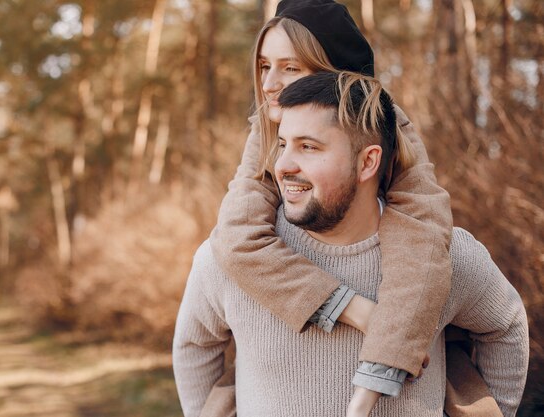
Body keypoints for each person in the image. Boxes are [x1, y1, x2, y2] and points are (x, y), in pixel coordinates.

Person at [172, 71, 529, 417]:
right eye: (283, 145)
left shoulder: (444, 255)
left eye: (309, 147)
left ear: (367, 162)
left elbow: (506, 324)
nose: (283, 166)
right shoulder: (229, 258)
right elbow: (195, 345)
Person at [208, 0, 451, 413]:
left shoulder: (386, 125)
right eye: (265, 66)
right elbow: (236, 239)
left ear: (335, 78)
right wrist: (350, 307)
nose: (269, 83)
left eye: (290, 68)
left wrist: (381, 365)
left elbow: (423, 240)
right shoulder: (267, 126)